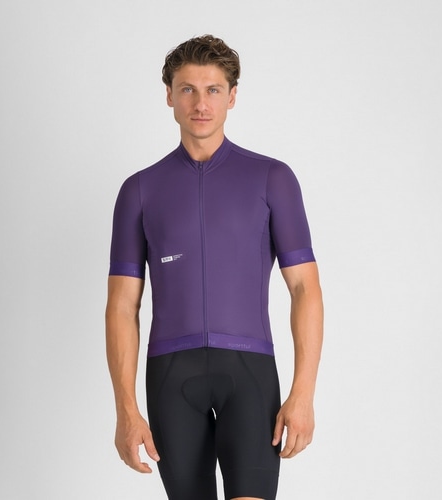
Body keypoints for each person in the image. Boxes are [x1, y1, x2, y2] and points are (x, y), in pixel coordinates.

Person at [106, 34, 323, 500]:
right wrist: (126, 410)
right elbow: (122, 306)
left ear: (232, 96)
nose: (200, 104)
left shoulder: (272, 178)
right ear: (169, 95)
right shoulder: (139, 190)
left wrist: (303, 393)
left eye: (213, 90)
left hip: (250, 375)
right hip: (171, 379)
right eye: (187, 89)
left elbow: (305, 288)